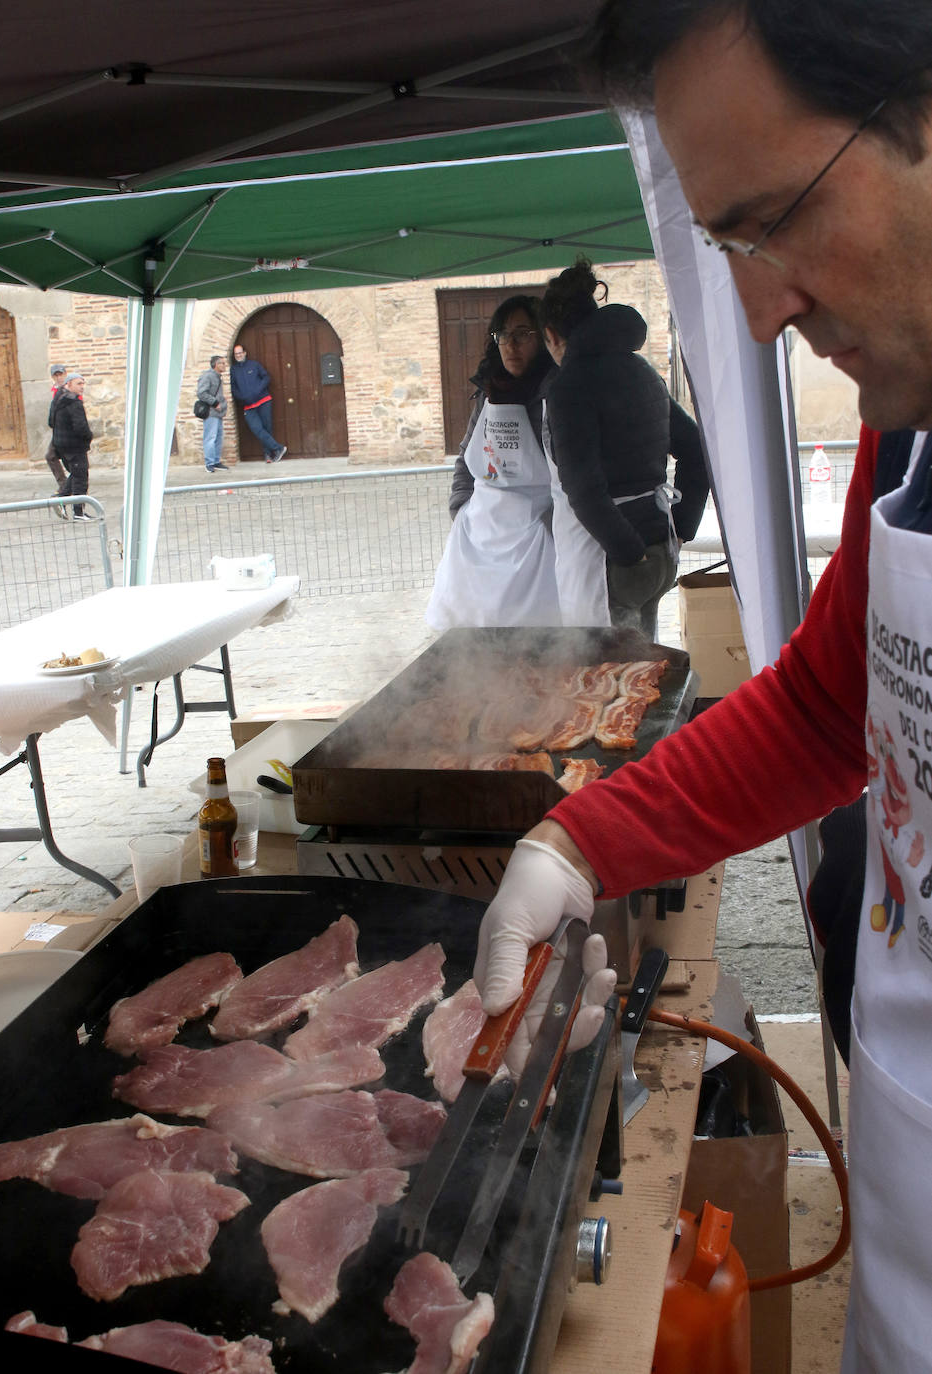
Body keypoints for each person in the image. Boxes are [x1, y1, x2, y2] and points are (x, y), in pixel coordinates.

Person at [473, 4, 932, 1371]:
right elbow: (827, 708)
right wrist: (577, 842)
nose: (761, 309)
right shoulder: (910, 427)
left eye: (777, 220)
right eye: (728, 247)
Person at [540, 259, 708, 634]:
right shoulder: (643, 372)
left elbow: (584, 489)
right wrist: (681, 528)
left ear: (551, 335)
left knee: (606, 667)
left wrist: (629, 553)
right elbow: (696, 449)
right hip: (659, 546)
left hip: (609, 561)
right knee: (644, 659)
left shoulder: (570, 386)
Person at [426, 295, 558, 630]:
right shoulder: (489, 392)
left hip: (535, 541)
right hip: (478, 535)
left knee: (536, 634)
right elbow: (466, 455)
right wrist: (460, 507)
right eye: (503, 335)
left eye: (522, 334)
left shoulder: (555, 394)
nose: (511, 345)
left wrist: (550, 523)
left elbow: (571, 470)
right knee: (472, 632)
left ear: (543, 338)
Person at [229, 343, 286, 463]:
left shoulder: (254, 365)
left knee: (267, 428)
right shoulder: (233, 370)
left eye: (240, 353)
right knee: (257, 429)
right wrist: (242, 397)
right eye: (236, 354)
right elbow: (233, 388)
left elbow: (266, 377)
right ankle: (278, 448)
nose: (238, 355)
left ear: (245, 353)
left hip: (263, 401)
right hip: (248, 406)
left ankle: (268, 455)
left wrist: (257, 390)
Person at [52, 372, 93, 521]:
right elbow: (81, 427)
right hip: (74, 446)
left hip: (63, 444)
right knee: (81, 477)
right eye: (78, 383)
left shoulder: (58, 398)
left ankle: (60, 499)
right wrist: (89, 437)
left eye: (83, 383)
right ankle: (78, 512)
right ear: (68, 384)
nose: (82, 387)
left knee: (76, 473)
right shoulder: (74, 402)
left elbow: (51, 421)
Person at [197, 354, 229, 472]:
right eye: (222, 363)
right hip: (211, 412)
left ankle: (216, 461)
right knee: (210, 437)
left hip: (218, 413)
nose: (225, 365)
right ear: (216, 364)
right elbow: (201, 393)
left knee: (218, 437)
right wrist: (215, 403)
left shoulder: (218, 377)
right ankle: (209, 463)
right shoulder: (207, 376)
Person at [44, 364, 68, 491]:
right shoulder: (54, 391)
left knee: (70, 461)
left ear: (65, 374)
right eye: (56, 375)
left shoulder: (69, 390)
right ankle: (64, 484)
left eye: (61, 374)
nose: (59, 378)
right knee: (50, 456)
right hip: (58, 431)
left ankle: (70, 486)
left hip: (67, 431)